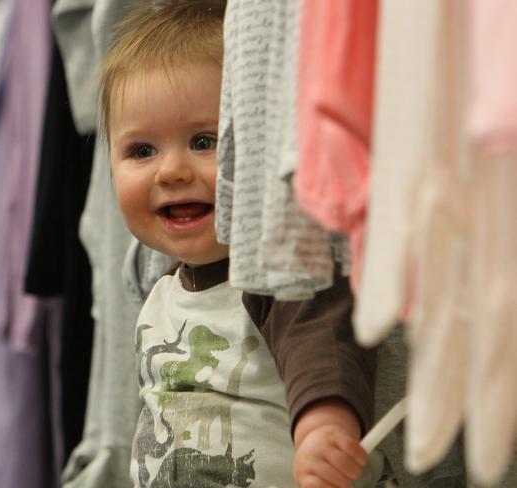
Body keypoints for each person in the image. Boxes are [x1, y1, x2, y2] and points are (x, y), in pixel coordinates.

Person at [99, 1, 376, 487]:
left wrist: (322, 433)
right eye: (142, 151)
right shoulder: (161, 291)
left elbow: (324, 355)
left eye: (204, 142)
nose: (172, 171)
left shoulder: (278, 275)